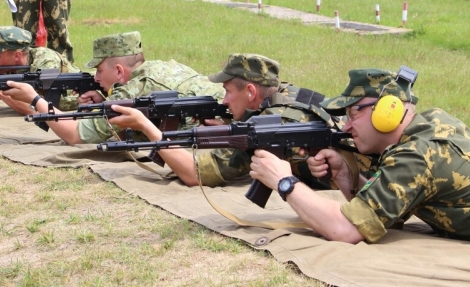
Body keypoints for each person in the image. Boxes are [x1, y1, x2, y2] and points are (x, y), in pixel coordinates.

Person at [248, 68, 470, 252]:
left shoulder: (416, 156)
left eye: (354, 114)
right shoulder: (431, 122)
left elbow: (345, 230)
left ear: (387, 111)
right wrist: (343, 176)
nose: (347, 127)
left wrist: (283, 181)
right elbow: (393, 208)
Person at [108, 53, 343, 187]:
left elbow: (195, 173)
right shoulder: (287, 94)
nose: (225, 101)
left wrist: (146, 126)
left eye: (228, 91)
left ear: (250, 92)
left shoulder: (265, 126)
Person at [0, 31, 224, 145]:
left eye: (98, 71)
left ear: (119, 71)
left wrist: (34, 99)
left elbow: (75, 135)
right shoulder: (164, 67)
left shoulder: (132, 90)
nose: (96, 78)